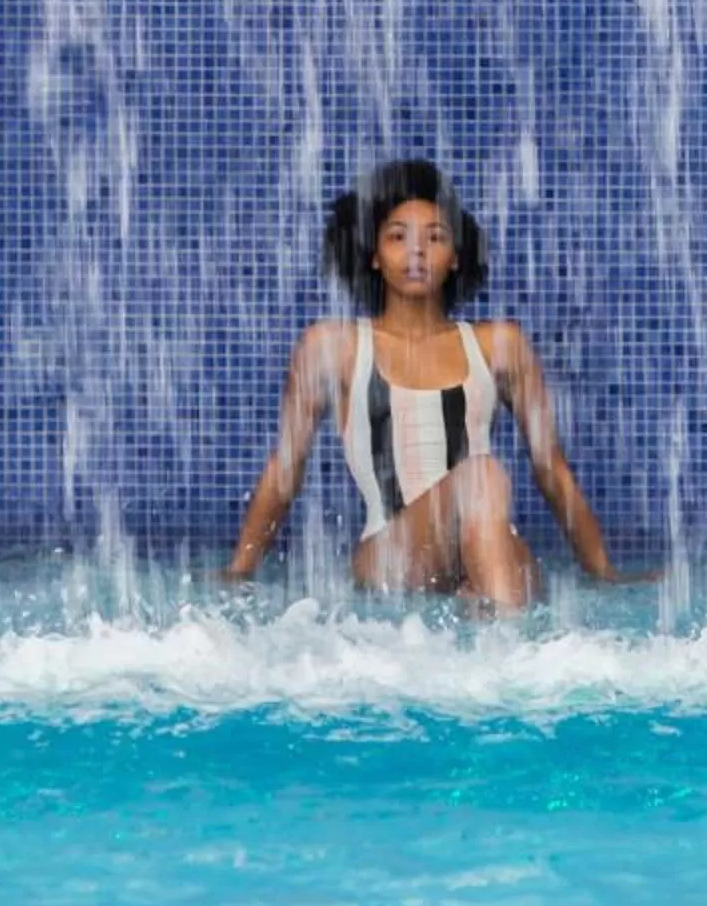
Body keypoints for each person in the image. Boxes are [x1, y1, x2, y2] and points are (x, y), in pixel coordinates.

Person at [221, 158, 638, 608]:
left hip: (486, 542)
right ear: (375, 256)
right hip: (392, 555)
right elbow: (285, 471)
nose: (417, 251)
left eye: (435, 237)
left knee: (491, 522)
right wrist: (237, 574)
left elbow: (552, 470)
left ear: (456, 255)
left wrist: (605, 575)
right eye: (398, 237)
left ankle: (497, 634)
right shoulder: (334, 346)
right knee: (482, 474)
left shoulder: (501, 346)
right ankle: (508, 648)